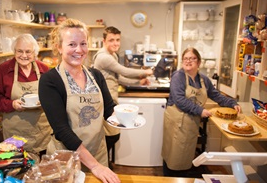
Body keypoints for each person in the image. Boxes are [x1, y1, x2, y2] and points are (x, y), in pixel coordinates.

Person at [39, 19, 120, 183]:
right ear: (59, 47)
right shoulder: (50, 80)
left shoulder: (96, 75)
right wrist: (94, 166)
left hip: (98, 152)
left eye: (83, 43)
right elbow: (61, 130)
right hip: (66, 158)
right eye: (72, 44)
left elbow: (109, 110)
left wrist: (125, 119)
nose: (79, 49)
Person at [162, 47, 241, 177]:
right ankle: (170, 177)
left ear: (199, 62)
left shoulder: (203, 79)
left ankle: (182, 177)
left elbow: (216, 95)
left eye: (192, 58)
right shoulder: (178, 77)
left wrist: (232, 103)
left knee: (185, 153)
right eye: (186, 58)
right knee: (173, 154)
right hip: (176, 123)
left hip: (190, 122)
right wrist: (200, 110)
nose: (188, 61)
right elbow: (180, 100)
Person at [93, 26, 153, 168]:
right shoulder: (103, 57)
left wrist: (139, 82)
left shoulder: (112, 55)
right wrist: (146, 72)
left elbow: (119, 78)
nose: (115, 43)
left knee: (112, 134)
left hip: (112, 99)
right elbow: (124, 71)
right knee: (111, 135)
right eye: (111, 40)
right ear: (104, 41)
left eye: (118, 40)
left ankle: (104, 163)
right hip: (103, 102)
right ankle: (101, 164)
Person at [0, 34, 52, 155]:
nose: (24, 55)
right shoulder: (4, 69)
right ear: (14, 51)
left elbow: (54, 97)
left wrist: (45, 101)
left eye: (28, 52)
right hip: (15, 133)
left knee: (43, 169)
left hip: (41, 132)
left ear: (35, 52)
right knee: (18, 168)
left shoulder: (44, 69)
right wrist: (11, 104)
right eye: (20, 51)